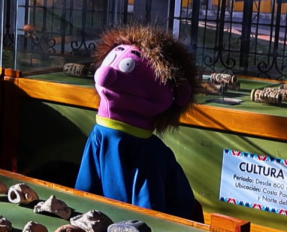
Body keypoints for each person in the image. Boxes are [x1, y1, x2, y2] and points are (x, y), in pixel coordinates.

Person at [74, 24, 203, 221]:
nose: (103, 75)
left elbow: (150, 215)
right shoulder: (99, 135)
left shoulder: (150, 153)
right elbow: (85, 190)